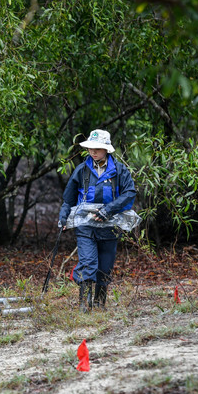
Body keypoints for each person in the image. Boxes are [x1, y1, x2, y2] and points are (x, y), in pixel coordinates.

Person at [58, 129, 136, 310]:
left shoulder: (119, 170)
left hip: (110, 227)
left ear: (106, 149)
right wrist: (63, 217)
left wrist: (108, 210)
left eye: (97, 148)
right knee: (88, 263)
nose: (93, 152)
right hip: (86, 227)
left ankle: (100, 304)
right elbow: (68, 199)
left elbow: (129, 193)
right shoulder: (82, 170)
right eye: (90, 148)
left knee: (105, 268)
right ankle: (84, 306)